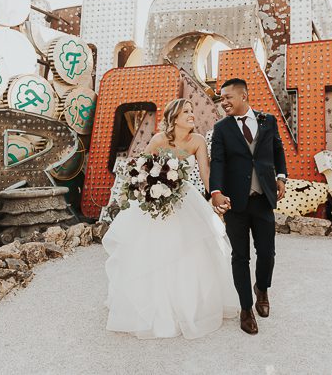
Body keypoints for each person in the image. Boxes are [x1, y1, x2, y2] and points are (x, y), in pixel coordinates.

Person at [103, 98, 239, 339]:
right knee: (155, 249)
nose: (192, 114)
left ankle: (190, 306)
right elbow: (140, 169)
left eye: (191, 110)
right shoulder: (158, 140)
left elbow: (206, 174)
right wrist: (149, 189)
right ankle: (154, 307)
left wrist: (217, 195)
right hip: (157, 200)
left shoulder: (197, 141)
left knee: (191, 249)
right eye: (186, 111)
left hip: (184, 197)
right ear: (174, 118)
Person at [210, 78, 287, 335]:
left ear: (243, 96)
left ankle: (261, 288)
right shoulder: (221, 128)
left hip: (263, 198)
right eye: (222, 98)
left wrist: (281, 177)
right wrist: (216, 192)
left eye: (228, 97)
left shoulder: (268, 121)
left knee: (267, 253)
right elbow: (218, 161)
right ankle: (246, 309)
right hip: (235, 202)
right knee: (240, 256)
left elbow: (278, 150)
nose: (224, 102)